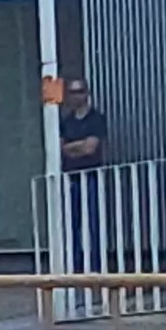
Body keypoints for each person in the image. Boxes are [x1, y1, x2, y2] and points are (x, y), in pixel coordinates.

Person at [58, 78, 109, 270]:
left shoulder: (96, 119)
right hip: (72, 179)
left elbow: (90, 148)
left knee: (94, 224)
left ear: (87, 94)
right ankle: (75, 267)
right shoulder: (66, 121)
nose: (75, 96)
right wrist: (78, 146)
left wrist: (73, 147)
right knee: (72, 225)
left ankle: (96, 267)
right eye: (72, 92)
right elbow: (61, 149)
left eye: (79, 91)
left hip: (91, 177)